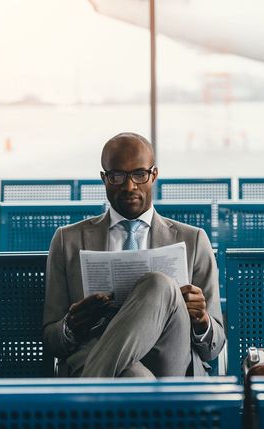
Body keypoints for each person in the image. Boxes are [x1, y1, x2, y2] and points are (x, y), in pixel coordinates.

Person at [42, 132, 224, 377]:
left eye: (139, 174)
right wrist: (71, 326)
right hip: (108, 360)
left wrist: (201, 320)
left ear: (154, 175)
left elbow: (215, 346)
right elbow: (52, 340)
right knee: (137, 379)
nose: (129, 186)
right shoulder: (68, 241)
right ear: (104, 178)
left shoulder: (192, 240)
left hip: (170, 356)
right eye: (117, 176)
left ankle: (88, 388)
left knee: (160, 285)